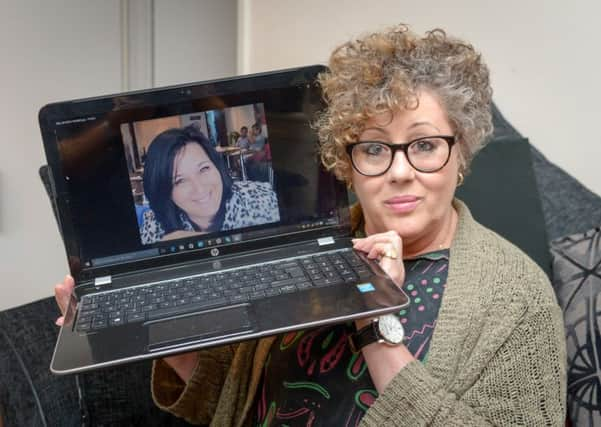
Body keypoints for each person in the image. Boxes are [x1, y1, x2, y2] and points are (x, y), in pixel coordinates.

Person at [54, 24, 566, 426]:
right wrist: (162, 335)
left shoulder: (515, 297)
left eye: (425, 145)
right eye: (373, 148)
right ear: (346, 165)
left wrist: (374, 320)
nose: (400, 171)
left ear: (462, 155)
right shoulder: (301, 252)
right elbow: (225, 407)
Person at [139, 125, 279, 243]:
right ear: (165, 191)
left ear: (216, 166)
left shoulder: (260, 200)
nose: (199, 188)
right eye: (180, 180)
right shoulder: (154, 225)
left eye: (204, 168)